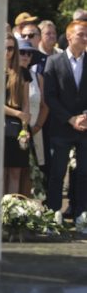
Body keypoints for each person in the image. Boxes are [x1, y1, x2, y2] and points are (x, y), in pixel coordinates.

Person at [42, 19, 87, 219]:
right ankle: (53, 214)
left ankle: (81, 215)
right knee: (57, 173)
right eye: (81, 34)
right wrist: (70, 119)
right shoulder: (54, 61)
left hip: (85, 127)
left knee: (84, 174)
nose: (86, 38)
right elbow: (49, 96)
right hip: (61, 126)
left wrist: (85, 117)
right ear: (69, 36)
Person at [18, 38, 48, 196]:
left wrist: (36, 128)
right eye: (22, 52)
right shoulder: (6, 74)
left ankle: (25, 213)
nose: (26, 56)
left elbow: (45, 106)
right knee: (14, 172)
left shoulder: (37, 77)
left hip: (35, 131)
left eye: (29, 54)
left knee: (32, 174)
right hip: (13, 130)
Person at [3, 35, 31, 195]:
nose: (8, 51)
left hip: (17, 127)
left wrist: (25, 127)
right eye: (5, 47)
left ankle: (12, 213)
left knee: (15, 172)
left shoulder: (23, 73)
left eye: (11, 48)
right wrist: (18, 113)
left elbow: (26, 102)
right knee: (0, 172)